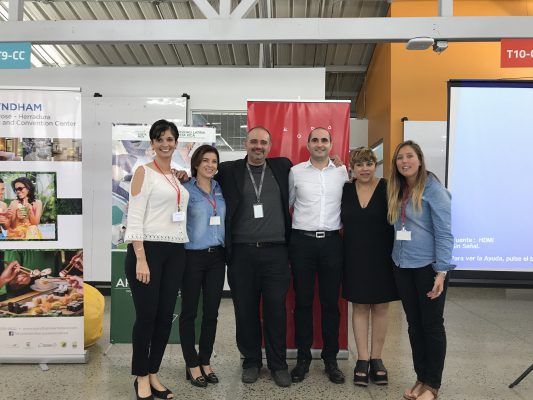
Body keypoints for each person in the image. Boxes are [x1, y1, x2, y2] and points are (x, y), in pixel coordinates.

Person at [214, 126, 293, 387]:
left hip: (277, 253)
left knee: (275, 310)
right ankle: (251, 361)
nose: (258, 146)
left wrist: (337, 163)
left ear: (270, 146)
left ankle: (278, 364)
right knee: (245, 310)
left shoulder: (283, 167)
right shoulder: (229, 170)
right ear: (246, 144)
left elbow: (313, 172)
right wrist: (181, 173)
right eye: (254, 142)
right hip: (242, 254)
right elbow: (201, 173)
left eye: (263, 142)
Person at [124, 119, 189, 400]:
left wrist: (182, 177)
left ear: (176, 143)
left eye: (170, 139)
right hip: (147, 250)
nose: (165, 144)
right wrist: (140, 258)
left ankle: (153, 372)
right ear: (152, 143)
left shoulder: (175, 176)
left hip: (175, 251)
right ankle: (140, 376)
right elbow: (135, 217)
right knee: (147, 317)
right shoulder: (143, 172)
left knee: (165, 317)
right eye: (160, 139)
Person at [387, 140, 454, 400]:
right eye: (400, 158)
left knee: (432, 325)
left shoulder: (434, 189)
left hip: (428, 268)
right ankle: (421, 378)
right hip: (402, 266)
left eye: (409, 156)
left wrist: (441, 272)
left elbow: (445, 234)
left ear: (419, 159)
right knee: (414, 326)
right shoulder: (398, 188)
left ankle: (433, 386)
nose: (404, 161)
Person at [288, 127, 348, 384]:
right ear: (308, 144)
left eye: (325, 140)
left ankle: (330, 360)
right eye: (315, 140)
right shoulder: (295, 172)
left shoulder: (342, 172)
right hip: (302, 243)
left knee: (330, 305)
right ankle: (302, 359)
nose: (320, 144)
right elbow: (288, 203)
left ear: (331, 144)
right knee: (302, 303)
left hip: (333, 244)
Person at [341, 147, 398, 386]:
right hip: (353, 257)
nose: (365, 168)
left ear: (376, 165)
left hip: (383, 257)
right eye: (360, 164)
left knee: (381, 307)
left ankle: (377, 359)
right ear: (352, 167)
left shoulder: (388, 187)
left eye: (369, 163)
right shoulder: (344, 189)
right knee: (360, 307)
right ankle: (362, 359)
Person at [179, 145, 226, 388]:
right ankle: (191, 362)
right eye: (205, 160)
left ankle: (205, 360)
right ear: (196, 164)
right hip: (192, 258)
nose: (210, 165)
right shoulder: (185, 190)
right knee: (189, 312)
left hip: (217, 258)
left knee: (212, 312)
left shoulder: (221, 189)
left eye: (214, 161)